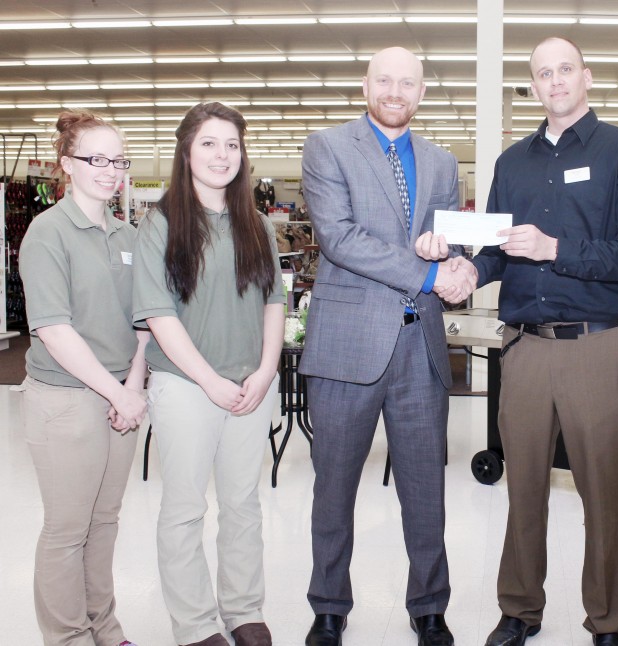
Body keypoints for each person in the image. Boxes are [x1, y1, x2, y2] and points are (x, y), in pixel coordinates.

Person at [419, 36, 618, 646]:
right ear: (532, 86)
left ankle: (608, 619)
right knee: (522, 485)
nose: (555, 81)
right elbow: (496, 248)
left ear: (586, 76)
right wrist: (471, 272)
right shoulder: (512, 162)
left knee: (602, 490)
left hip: (594, 343)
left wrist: (557, 248)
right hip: (524, 346)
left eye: (565, 70)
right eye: (542, 73)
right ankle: (520, 610)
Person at [298, 46, 473, 646]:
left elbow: (449, 241)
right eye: (384, 81)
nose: (395, 92)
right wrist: (428, 274)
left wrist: (461, 266)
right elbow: (339, 237)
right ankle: (328, 607)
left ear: (422, 92)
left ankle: (429, 607)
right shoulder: (327, 147)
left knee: (426, 489)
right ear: (365, 85)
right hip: (348, 344)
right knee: (334, 486)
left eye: (408, 83)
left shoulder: (443, 162)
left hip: (419, 346)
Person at [132, 102, 284, 646]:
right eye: (209, 144)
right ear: (186, 151)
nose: (223, 155)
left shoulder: (258, 225)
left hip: (250, 386)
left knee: (243, 504)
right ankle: (196, 625)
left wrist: (266, 370)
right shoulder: (161, 223)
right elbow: (159, 314)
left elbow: (272, 304)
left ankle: (244, 611)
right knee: (185, 508)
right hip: (185, 386)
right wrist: (209, 381)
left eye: (232, 145)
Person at [20, 110, 148, 646]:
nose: (110, 170)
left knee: (105, 523)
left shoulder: (127, 233)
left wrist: (133, 389)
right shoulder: (47, 233)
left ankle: (105, 625)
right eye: (96, 159)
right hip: (66, 402)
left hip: (122, 399)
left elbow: (145, 322)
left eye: (117, 159)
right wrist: (118, 391)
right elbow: (53, 329)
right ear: (66, 165)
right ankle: (69, 636)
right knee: (67, 530)